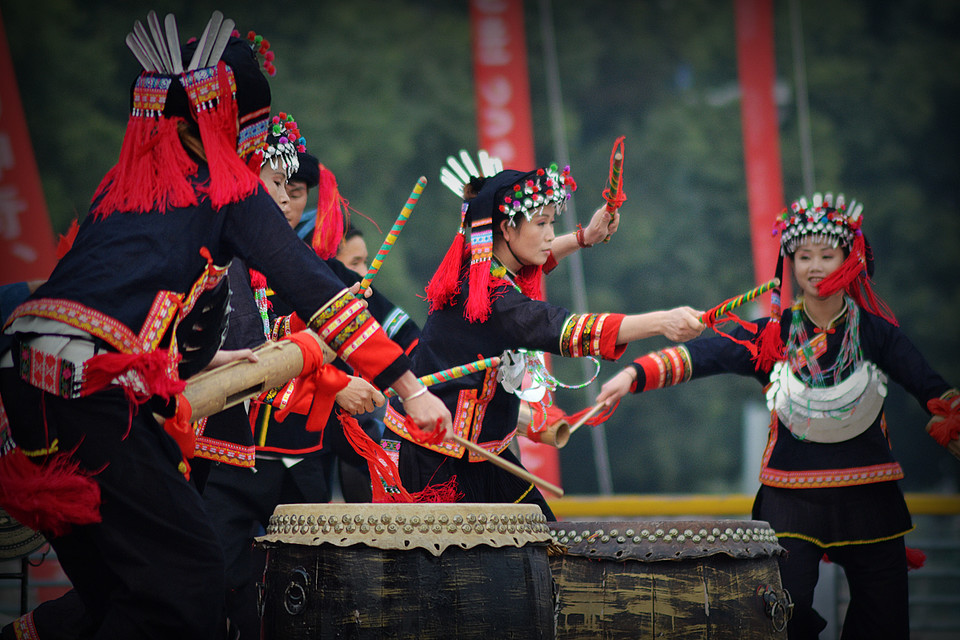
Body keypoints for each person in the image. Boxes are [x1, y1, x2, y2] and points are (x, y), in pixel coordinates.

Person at [0, 14, 449, 640]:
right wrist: (412, 389)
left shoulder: (123, 187)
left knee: (121, 587)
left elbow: (145, 320)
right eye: (254, 139)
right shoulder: (223, 188)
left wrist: (198, 346)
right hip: (89, 388)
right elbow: (314, 287)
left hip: (30, 381)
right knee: (189, 579)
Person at [595, 192, 960, 639]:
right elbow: (706, 353)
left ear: (851, 257)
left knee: (883, 618)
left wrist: (951, 414)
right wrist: (632, 375)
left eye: (827, 255)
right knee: (778, 614)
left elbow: (929, 384)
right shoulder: (773, 335)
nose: (814, 266)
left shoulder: (874, 333)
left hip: (870, 493)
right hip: (792, 496)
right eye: (804, 255)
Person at [384, 158, 705, 520]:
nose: (551, 234)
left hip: (481, 450)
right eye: (542, 223)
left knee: (539, 538)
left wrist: (587, 236)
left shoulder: (482, 262)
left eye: (553, 222)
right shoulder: (494, 297)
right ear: (506, 228)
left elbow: (538, 256)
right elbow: (567, 331)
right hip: (434, 453)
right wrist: (662, 321)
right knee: (462, 568)